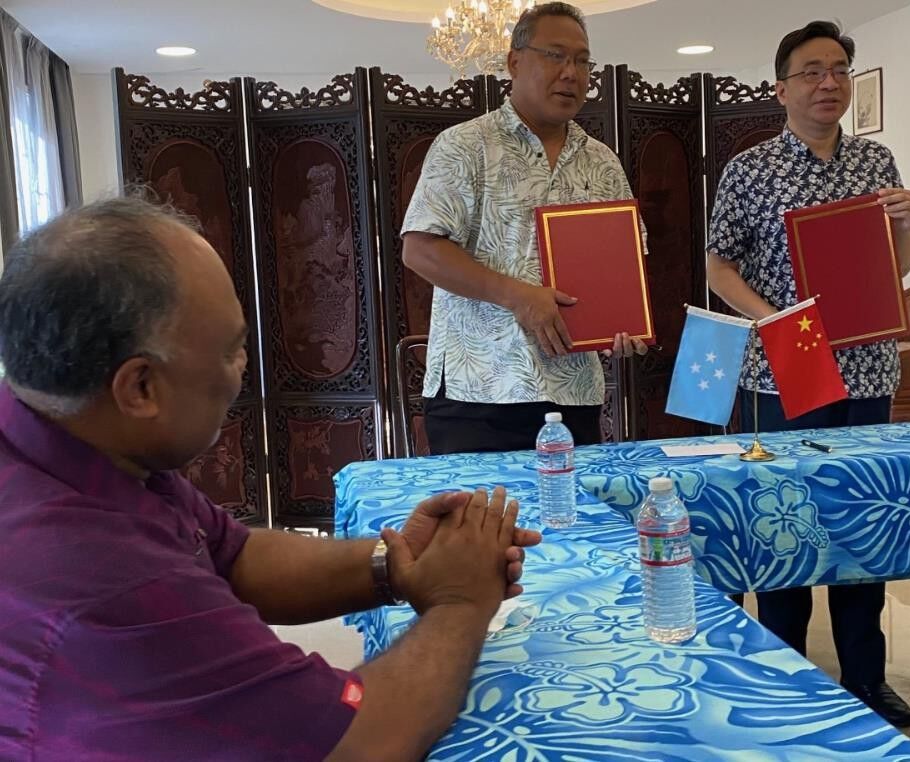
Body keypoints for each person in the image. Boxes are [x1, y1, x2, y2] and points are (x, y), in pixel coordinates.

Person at [0, 196, 542, 761]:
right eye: (231, 349)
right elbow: (360, 743)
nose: (243, 368)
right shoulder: (103, 576)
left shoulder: (68, 434)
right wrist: (459, 602)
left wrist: (396, 561)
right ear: (139, 388)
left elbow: (231, 555)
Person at [706, 21, 910, 728]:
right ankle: (785, 675)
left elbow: (891, 273)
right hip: (784, 367)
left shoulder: (876, 163)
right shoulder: (749, 169)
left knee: (863, 526)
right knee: (785, 525)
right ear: (780, 88)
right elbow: (716, 265)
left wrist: (908, 224)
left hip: (865, 367)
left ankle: (864, 676)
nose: (827, 83)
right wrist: (777, 321)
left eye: (838, 70)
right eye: (810, 71)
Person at [402, 1, 647, 456]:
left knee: (569, 525)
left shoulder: (603, 161)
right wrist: (518, 295)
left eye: (582, 59)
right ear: (514, 62)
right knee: (482, 528)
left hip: (574, 392)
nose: (571, 72)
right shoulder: (465, 145)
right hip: (479, 393)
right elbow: (420, 249)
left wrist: (623, 325)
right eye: (556, 55)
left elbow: (624, 262)